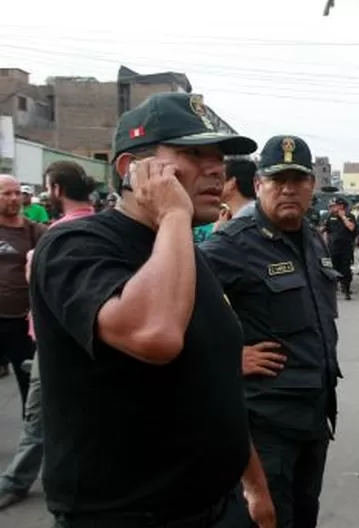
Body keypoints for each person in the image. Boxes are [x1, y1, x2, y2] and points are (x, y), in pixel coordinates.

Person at [29, 92, 274, 528]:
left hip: (219, 505)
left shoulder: (180, 251)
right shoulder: (74, 245)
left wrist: (254, 487)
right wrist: (175, 216)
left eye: (218, 156)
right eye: (193, 153)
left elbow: (216, 382)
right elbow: (155, 336)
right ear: (130, 169)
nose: (217, 168)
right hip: (130, 514)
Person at [200, 135, 342, 528]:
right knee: (267, 519)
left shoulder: (312, 239)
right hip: (265, 427)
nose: (288, 189)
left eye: (298, 179)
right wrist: (227, 358)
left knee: (303, 515)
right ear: (259, 183)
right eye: (278, 180)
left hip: (314, 418)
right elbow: (176, 308)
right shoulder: (232, 244)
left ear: (312, 185)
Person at [0, 161, 97, 512]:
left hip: (56, 341)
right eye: (7, 193)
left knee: (39, 415)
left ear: (55, 189)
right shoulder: (104, 227)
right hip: (88, 338)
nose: (15, 199)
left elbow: (40, 286)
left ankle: (15, 482)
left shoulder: (54, 235)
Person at [0, 175, 46, 405]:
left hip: (21, 322)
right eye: (7, 193)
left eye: (17, 193)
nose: (14, 198)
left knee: (29, 390)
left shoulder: (35, 232)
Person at [323, 196, 357, 300]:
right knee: (333, 269)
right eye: (331, 206)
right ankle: (333, 289)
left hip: (346, 248)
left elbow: (351, 228)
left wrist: (343, 217)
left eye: (334, 206)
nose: (332, 208)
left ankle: (346, 290)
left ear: (341, 206)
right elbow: (327, 231)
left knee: (345, 269)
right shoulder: (330, 217)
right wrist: (325, 244)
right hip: (333, 247)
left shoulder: (349, 216)